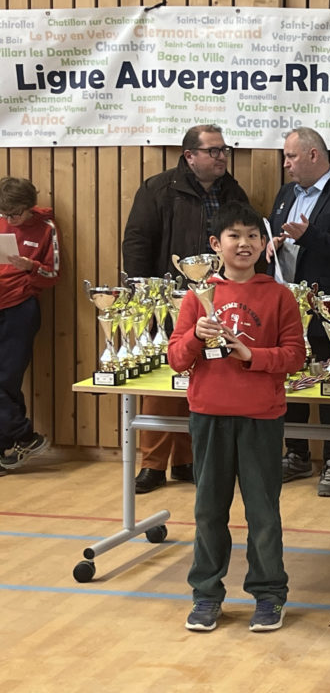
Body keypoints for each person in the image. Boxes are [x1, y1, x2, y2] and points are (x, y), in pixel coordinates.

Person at [168, 201, 306, 632]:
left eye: (252, 236)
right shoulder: (196, 295)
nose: (243, 243)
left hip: (261, 417)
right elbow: (176, 359)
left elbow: (295, 356)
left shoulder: (279, 295)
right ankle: (206, 594)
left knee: (263, 512)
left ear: (264, 244)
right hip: (208, 415)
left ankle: (269, 595)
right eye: (234, 235)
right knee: (209, 511)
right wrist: (196, 336)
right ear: (216, 243)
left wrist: (251, 355)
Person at [122, 124, 251, 494]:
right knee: (164, 379)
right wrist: (142, 293)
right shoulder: (158, 189)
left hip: (216, 298)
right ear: (189, 156)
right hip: (166, 297)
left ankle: (186, 460)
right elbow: (137, 241)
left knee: (203, 373)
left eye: (224, 150)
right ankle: (152, 464)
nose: (222, 157)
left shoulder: (233, 191)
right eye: (213, 151)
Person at [267, 127, 330, 497]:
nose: (286, 164)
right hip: (286, 304)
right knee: (291, 376)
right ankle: (296, 454)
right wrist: (271, 245)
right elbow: (279, 237)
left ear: (313, 155)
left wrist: (308, 237)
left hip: (327, 307)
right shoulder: (285, 194)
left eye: (291, 156)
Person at [0, 177, 60, 474]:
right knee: (5, 386)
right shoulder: (1, 219)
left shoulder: (46, 227)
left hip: (20, 308)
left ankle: (23, 437)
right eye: (5, 214)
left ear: (30, 207)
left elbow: (54, 275)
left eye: (15, 214)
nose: (10, 220)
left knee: (6, 380)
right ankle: (19, 441)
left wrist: (31, 267)